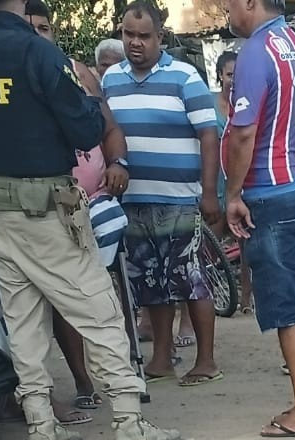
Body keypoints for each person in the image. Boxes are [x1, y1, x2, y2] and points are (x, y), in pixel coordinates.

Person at [0, 0, 178, 440]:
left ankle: (41, 425)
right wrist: (90, 105)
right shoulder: (37, 53)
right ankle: (129, 419)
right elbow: (87, 130)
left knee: (23, 317)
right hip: (45, 204)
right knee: (98, 306)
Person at [102, 1, 222, 387]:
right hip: (133, 201)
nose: (135, 43)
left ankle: (205, 361)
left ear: (161, 37)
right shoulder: (110, 80)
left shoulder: (185, 76)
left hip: (179, 200)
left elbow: (209, 134)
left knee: (190, 278)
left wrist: (208, 192)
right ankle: (161, 358)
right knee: (148, 282)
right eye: (128, 34)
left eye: (144, 36)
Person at [223, 0, 295, 438]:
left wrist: (232, 193)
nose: (226, 11)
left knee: (287, 309)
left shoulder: (256, 51)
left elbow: (244, 131)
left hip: (271, 192)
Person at [23, 0, 129, 423]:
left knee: (101, 289)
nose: (37, 34)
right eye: (29, 27)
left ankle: (122, 388)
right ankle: (84, 383)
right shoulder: (14, 76)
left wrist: (119, 164)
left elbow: (109, 129)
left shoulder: (78, 72)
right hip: (47, 207)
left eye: (44, 27)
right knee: (61, 297)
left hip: (97, 202)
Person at [214, 48, 253, 315]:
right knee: (210, 240)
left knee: (246, 242)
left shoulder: (247, 103)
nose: (233, 79)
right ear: (220, 76)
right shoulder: (208, 104)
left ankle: (246, 299)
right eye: (229, 74)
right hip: (214, 180)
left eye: (237, 74)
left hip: (240, 180)